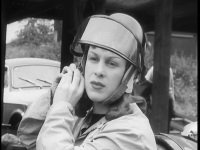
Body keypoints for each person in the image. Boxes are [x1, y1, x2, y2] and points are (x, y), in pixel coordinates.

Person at [15, 13, 157, 150]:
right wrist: (54, 96)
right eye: (94, 58)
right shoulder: (81, 117)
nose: (99, 71)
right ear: (82, 65)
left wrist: (61, 106)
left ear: (130, 75)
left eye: (112, 63)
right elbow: (29, 139)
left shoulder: (132, 134)